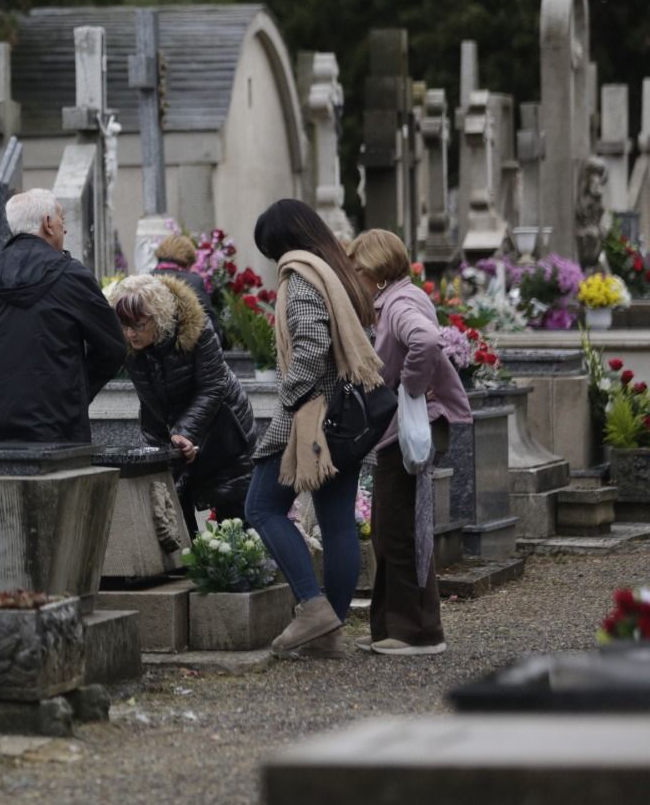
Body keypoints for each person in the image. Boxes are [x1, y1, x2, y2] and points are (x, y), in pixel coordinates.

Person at [243, 198, 384, 658]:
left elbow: (311, 343)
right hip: (345, 419)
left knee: (261, 507)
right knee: (337, 522)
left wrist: (288, 396)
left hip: (311, 420)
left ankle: (312, 607)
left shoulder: (301, 275)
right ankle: (329, 635)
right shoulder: (337, 270)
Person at [349, 229, 469, 656]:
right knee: (391, 528)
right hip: (401, 431)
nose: (354, 276)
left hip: (405, 431)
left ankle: (415, 633)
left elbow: (427, 340)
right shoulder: (400, 298)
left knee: (399, 530)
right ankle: (392, 628)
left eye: (358, 269)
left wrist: (410, 388)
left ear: (377, 271)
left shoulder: (398, 304)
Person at [0, 189, 126, 443]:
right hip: (57, 428)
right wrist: (73, 392)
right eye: (61, 219)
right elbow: (113, 347)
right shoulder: (73, 278)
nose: (65, 228)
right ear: (47, 223)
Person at [110, 274, 254, 534]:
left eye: (139, 325)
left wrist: (185, 432)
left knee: (234, 519)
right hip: (170, 430)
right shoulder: (129, 344)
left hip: (224, 429)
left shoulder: (195, 329)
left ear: (158, 317)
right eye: (125, 325)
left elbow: (214, 385)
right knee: (172, 514)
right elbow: (149, 400)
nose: (130, 333)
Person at [152, 233, 225, 346]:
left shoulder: (145, 279)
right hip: (186, 350)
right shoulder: (194, 282)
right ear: (188, 261)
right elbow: (209, 323)